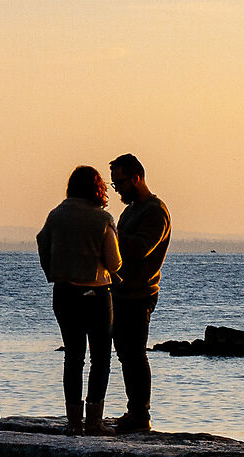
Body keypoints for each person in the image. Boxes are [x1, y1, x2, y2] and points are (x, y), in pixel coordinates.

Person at [37, 165, 121, 434]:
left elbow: (43, 244)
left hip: (63, 293)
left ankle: (73, 422)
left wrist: (55, 271)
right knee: (100, 358)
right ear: (97, 188)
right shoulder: (102, 219)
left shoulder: (55, 217)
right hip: (96, 293)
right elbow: (114, 262)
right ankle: (95, 421)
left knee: (73, 358)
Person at [107, 153, 171, 433]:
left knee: (135, 355)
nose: (117, 188)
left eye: (119, 182)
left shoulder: (155, 211)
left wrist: (107, 234)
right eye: (113, 184)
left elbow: (139, 248)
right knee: (125, 354)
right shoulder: (131, 210)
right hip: (121, 293)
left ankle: (140, 414)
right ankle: (134, 410)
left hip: (140, 294)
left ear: (136, 178)